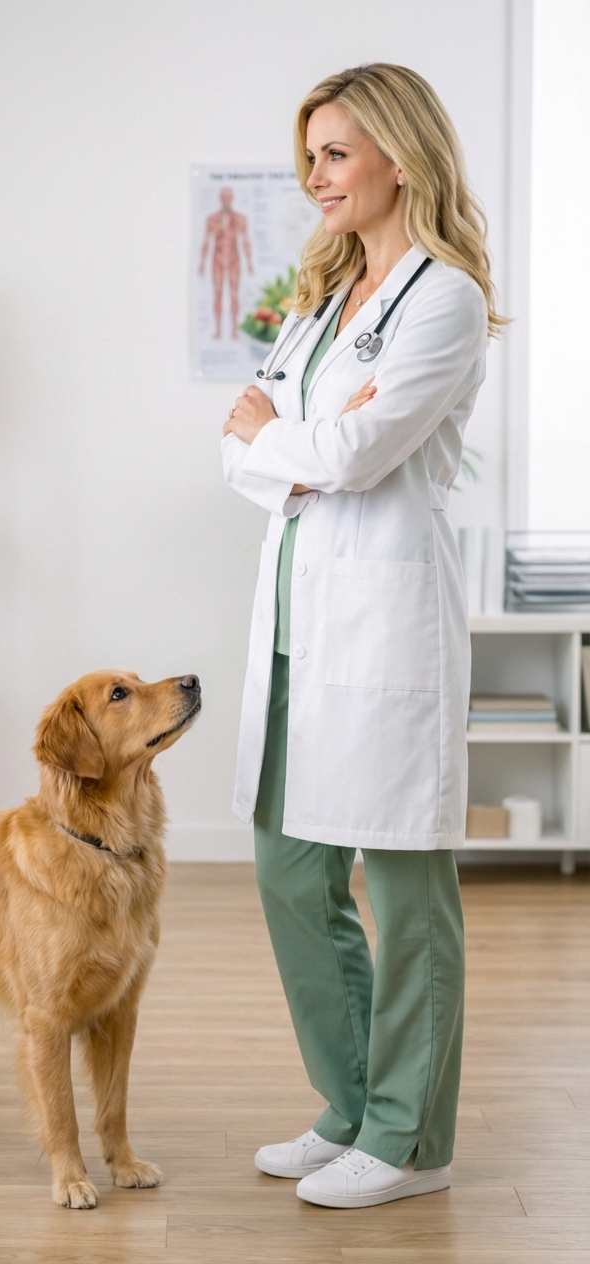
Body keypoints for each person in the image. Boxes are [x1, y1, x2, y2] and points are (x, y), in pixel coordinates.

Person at [222, 63, 504, 1210]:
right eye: (310, 155)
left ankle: (407, 1140)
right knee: (290, 875)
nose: (313, 177)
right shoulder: (319, 299)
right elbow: (240, 451)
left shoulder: (441, 297)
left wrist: (286, 439)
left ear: (396, 155)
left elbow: (351, 455)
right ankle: (347, 1109)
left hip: (386, 625)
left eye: (334, 153)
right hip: (295, 619)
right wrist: (295, 438)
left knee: (403, 889)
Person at [199, 186, 253, 339]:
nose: (226, 200)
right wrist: (202, 263)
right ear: (220, 199)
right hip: (217, 258)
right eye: (224, 197)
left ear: (232, 199)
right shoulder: (211, 219)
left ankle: (234, 331)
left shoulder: (239, 219)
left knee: (234, 294)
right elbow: (206, 241)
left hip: (234, 258)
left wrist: (249, 262)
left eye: (228, 197)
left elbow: (245, 241)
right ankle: (218, 331)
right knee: (218, 293)